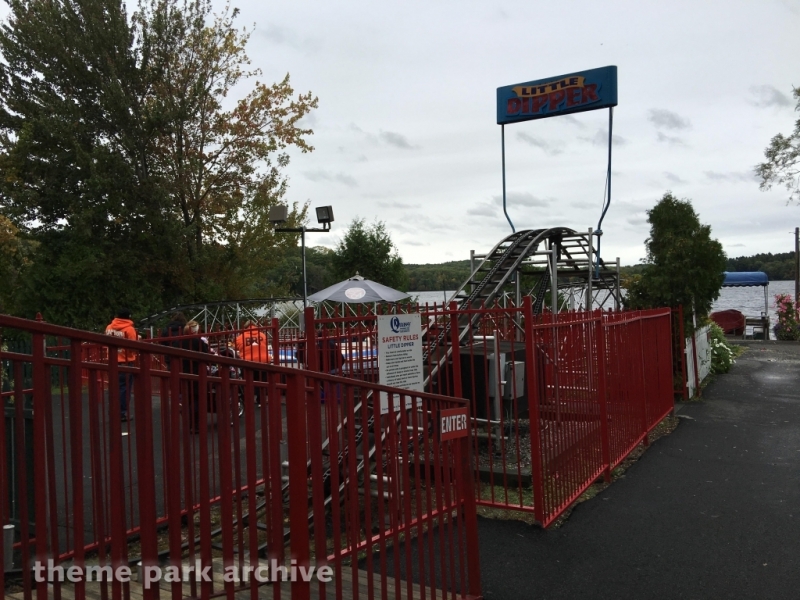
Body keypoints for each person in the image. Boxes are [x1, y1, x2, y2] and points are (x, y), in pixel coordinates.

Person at [105, 308, 139, 421]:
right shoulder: (129, 329)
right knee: (125, 388)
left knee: (114, 387)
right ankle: (122, 412)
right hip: (125, 361)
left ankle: (113, 411)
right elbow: (132, 348)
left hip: (112, 360)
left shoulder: (109, 327)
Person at [181, 320, 210, 432]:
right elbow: (206, 356)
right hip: (197, 372)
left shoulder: (180, 341)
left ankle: (188, 424)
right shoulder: (198, 342)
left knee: (187, 398)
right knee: (197, 398)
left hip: (184, 372)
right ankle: (196, 424)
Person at [234, 320, 272, 404]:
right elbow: (265, 344)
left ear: (245, 327)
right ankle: (260, 401)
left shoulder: (240, 337)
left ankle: (248, 401)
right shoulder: (262, 335)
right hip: (263, 361)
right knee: (261, 382)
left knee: (247, 383)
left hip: (248, 362)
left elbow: (235, 347)